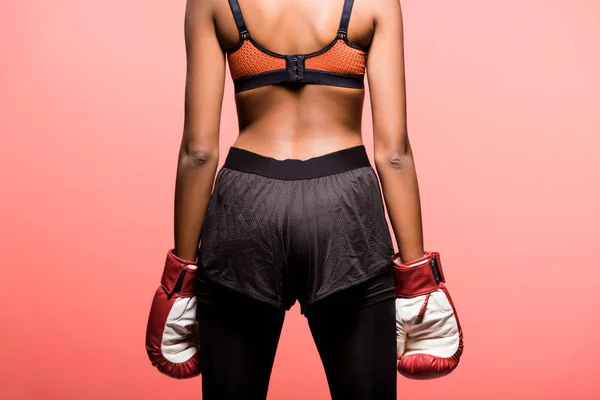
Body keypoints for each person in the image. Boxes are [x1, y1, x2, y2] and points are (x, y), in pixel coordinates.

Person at [173, 0, 424, 398]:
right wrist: (418, 276)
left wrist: (179, 275)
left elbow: (198, 152)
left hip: (246, 205)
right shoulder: (374, 3)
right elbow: (393, 154)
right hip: (344, 206)